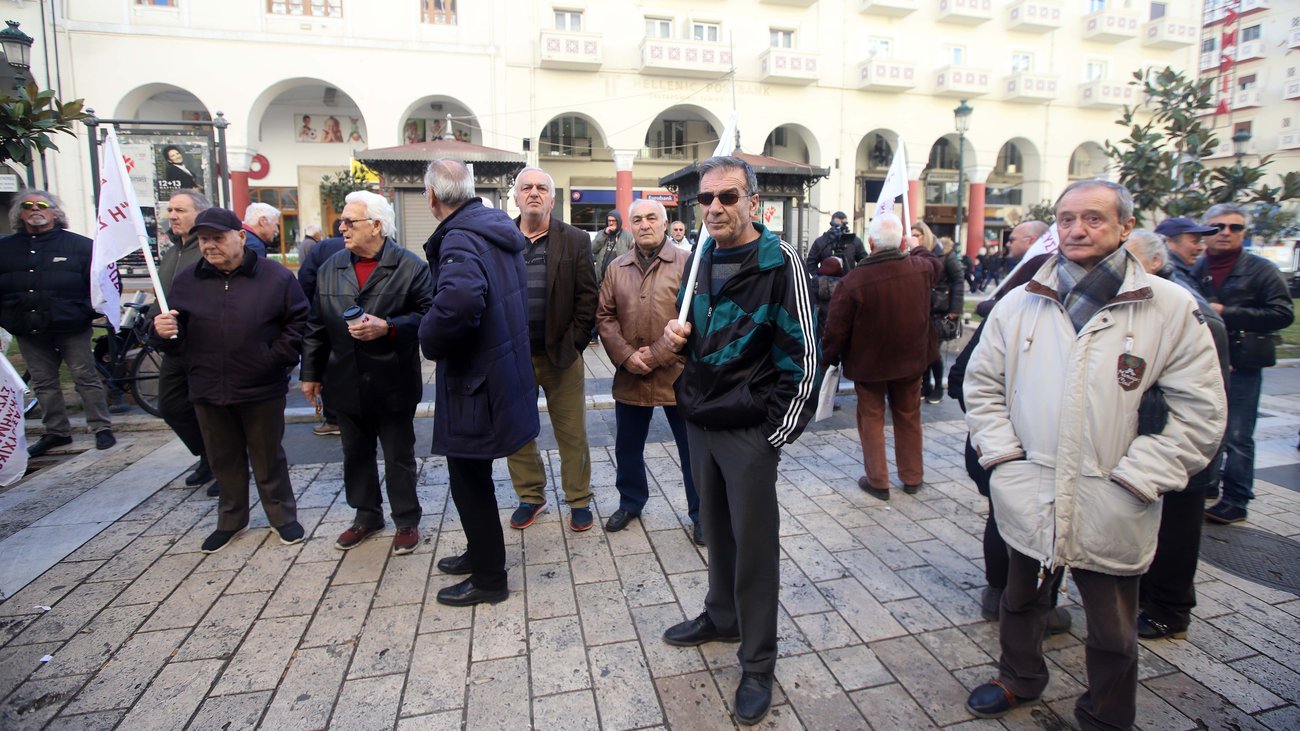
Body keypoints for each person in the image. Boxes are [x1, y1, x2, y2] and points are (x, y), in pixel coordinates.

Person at [962, 180, 1225, 728]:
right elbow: (982, 386)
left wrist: (1140, 477)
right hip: (1030, 487)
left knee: (1111, 628)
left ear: (1126, 227)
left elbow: (1201, 413)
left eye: (1093, 219)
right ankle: (1019, 678)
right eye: (1066, 219)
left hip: (1111, 494)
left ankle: (1107, 714)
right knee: (1020, 600)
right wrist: (1003, 459)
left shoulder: (1169, 308)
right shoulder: (1020, 302)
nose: (1076, 230)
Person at [657, 156, 820, 727]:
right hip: (700, 419)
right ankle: (720, 616)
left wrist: (772, 435)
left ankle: (757, 661)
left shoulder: (780, 263)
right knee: (716, 534)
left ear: (754, 202)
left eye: (728, 197)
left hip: (748, 430)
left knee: (754, 549)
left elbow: (806, 357)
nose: (716, 208)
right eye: (706, 200)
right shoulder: (700, 257)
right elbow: (692, 336)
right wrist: (675, 341)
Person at [150, 207, 309, 554]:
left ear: (239, 236)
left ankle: (282, 517)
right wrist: (161, 332)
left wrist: (272, 359)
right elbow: (172, 335)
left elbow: (298, 324)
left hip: (261, 386)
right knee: (224, 458)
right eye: (204, 240)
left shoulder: (275, 277)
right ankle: (231, 519)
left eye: (217, 238)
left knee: (268, 456)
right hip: (207, 385)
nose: (209, 246)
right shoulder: (188, 280)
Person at [419, 159, 539, 607]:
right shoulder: (491, 228)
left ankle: (490, 579)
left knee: (469, 477)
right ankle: (479, 551)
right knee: (474, 475)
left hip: (475, 379)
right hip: (498, 369)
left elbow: (461, 301)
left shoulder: (461, 237)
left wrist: (427, 338)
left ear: (432, 197)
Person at [300, 191, 433, 556]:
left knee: (398, 455)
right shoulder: (332, 267)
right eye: (341, 221)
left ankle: (406, 519)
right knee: (355, 453)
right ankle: (366, 515)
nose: (341, 227)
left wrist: (388, 326)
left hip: (393, 379)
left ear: (376, 225)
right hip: (344, 378)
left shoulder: (409, 266)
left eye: (349, 222)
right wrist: (310, 373)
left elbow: (429, 315)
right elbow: (315, 325)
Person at [1125, 229, 1229, 642]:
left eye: (1129, 260)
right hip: (1152, 439)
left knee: (1175, 534)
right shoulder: (1147, 296)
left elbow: (1203, 399)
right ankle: (1148, 596)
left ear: (1153, 261)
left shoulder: (1186, 306)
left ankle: (1169, 610)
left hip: (1180, 446)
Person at [596, 198, 701, 544]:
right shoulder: (617, 267)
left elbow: (695, 320)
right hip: (631, 375)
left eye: (651, 218)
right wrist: (626, 356)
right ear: (631, 225)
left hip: (678, 375)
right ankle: (631, 502)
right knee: (627, 446)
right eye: (637, 219)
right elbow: (605, 318)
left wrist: (656, 355)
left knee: (692, 450)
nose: (644, 224)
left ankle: (701, 514)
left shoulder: (688, 264)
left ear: (665, 222)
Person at [505, 167, 599, 532]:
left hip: (561, 356)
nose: (533, 193)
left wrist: (575, 343)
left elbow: (587, 296)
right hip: (513, 357)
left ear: (552, 198)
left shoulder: (574, 239)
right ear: (515, 196)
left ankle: (578, 499)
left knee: (572, 432)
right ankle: (531, 495)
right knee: (518, 431)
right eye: (526, 187)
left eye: (541, 188)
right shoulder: (501, 237)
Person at [822, 213, 940, 500]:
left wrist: (828, 358)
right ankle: (912, 476)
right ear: (901, 241)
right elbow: (936, 262)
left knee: (871, 419)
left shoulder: (853, 281)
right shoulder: (920, 268)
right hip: (910, 361)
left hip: (869, 365)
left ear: (871, 243)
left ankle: (878, 480)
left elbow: (835, 329)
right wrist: (914, 245)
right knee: (909, 416)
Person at [1191, 203, 1294, 525]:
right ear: (1205, 231)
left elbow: (1282, 314)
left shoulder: (1261, 270)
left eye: (1235, 228)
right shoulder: (1194, 268)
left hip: (1242, 363)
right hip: (1203, 364)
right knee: (1203, 428)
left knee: (1237, 434)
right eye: (1218, 226)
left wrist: (1226, 312)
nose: (1225, 233)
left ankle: (1236, 497)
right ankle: (1209, 485)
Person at [0, 191, 116, 456]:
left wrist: (86, 311)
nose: (34, 210)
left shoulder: (81, 246)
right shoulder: (5, 249)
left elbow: (103, 283)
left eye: (41, 205)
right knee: (43, 382)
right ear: (20, 213)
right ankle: (56, 431)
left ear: (55, 212)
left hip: (72, 325)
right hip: (27, 326)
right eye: (27, 206)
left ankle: (101, 427)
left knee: (85, 377)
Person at [151, 190, 218, 494]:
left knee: (215, 411)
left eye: (180, 210)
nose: (173, 216)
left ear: (199, 214)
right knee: (172, 405)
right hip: (174, 347)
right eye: (170, 210)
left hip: (205, 345)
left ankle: (224, 464)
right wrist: (155, 324)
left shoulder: (207, 250)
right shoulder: (171, 252)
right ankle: (206, 454)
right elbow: (161, 296)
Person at [296, 225, 347, 438]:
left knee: (329, 368)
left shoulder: (323, 247)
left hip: (328, 318)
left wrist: (312, 309)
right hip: (360, 320)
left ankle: (334, 418)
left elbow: (306, 279)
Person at [919, 224, 963, 405]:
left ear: (926, 236)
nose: (916, 237)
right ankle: (926, 385)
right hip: (923, 309)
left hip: (940, 310)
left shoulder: (946, 255)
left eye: (918, 234)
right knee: (923, 351)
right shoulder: (918, 254)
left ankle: (937, 386)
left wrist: (954, 309)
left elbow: (958, 281)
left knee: (933, 352)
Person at [975, 220, 1050, 319]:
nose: (1007, 244)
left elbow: (1018, 307)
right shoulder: (1023, 266)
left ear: (1031, 241)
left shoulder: (1036, 269)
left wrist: (984, 307)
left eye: (1012, 240)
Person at [806, 212, 867, 332]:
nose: (841, 227)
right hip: (824, 291)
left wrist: (856, 278)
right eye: (839, 223)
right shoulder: (822, 241)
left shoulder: (854, 241)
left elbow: (864, 260)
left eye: (844, 223)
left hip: (848, 287)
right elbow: (811, 262)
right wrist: (816, 279)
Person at [1153, 217, 1217, 303]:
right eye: (1195, 242)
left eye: (1201, 242)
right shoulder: (1170, 275)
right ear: (1169, 242)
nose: (1201, 248)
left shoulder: (1192, 270)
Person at [591, 209, 633, 287]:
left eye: (614, 221)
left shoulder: (628, 236)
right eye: (609, 221)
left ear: (618, 221)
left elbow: (633, 256)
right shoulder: (601, 234)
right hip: (602, 281)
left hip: (620, 281)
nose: (611, 223)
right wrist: (604, 234)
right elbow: (592, 249)